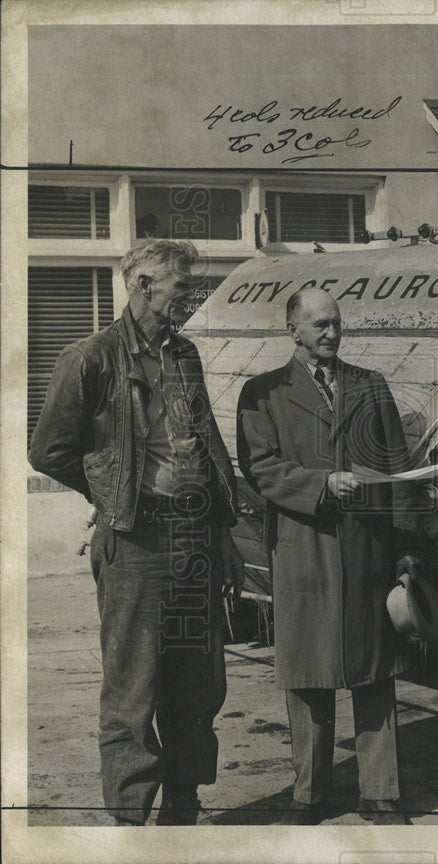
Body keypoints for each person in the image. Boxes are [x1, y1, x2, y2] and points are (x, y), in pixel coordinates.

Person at [29, 238, 242, 826]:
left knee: (196, 682)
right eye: (181, 286)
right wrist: (111, 490)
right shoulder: (90, 358)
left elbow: (208, 444)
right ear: (142, 285)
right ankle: (128, 820)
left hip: (194, 538)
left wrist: (223, 529)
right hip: (136, 540)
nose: (190, 295)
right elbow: (48, 451)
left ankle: (184, 804)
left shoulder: (186, 355)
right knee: (132, 689)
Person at [236, 287, 419, 826]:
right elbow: (261, 466)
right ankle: (309, 796)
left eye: (336, 323)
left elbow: (398, 470)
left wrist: (406, 549)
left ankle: (382, 795)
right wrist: (320, 484)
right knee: (308, 673)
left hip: (367, 551)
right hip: (303, 550)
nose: (332, 334)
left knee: (375, 671)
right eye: (319, 325)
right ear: (292, 328)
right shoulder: (264, 393)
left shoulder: (371, 385)